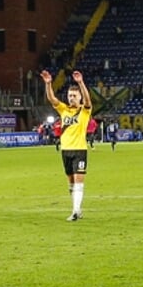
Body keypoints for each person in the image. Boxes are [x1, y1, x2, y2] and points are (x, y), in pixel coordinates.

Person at [41, 69, 93, 221]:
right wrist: (48, 84)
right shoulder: (64, 109)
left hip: (80, 150)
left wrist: (80, 82)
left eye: (74, 96)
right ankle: (77, 209)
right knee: (71, 183)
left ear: (80, 97)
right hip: (65, 150)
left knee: (78, 181)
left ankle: (76, 211)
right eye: (70, 95)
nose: (71, 98)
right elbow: (52, 99)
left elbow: (88, 101)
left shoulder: (84, 110)